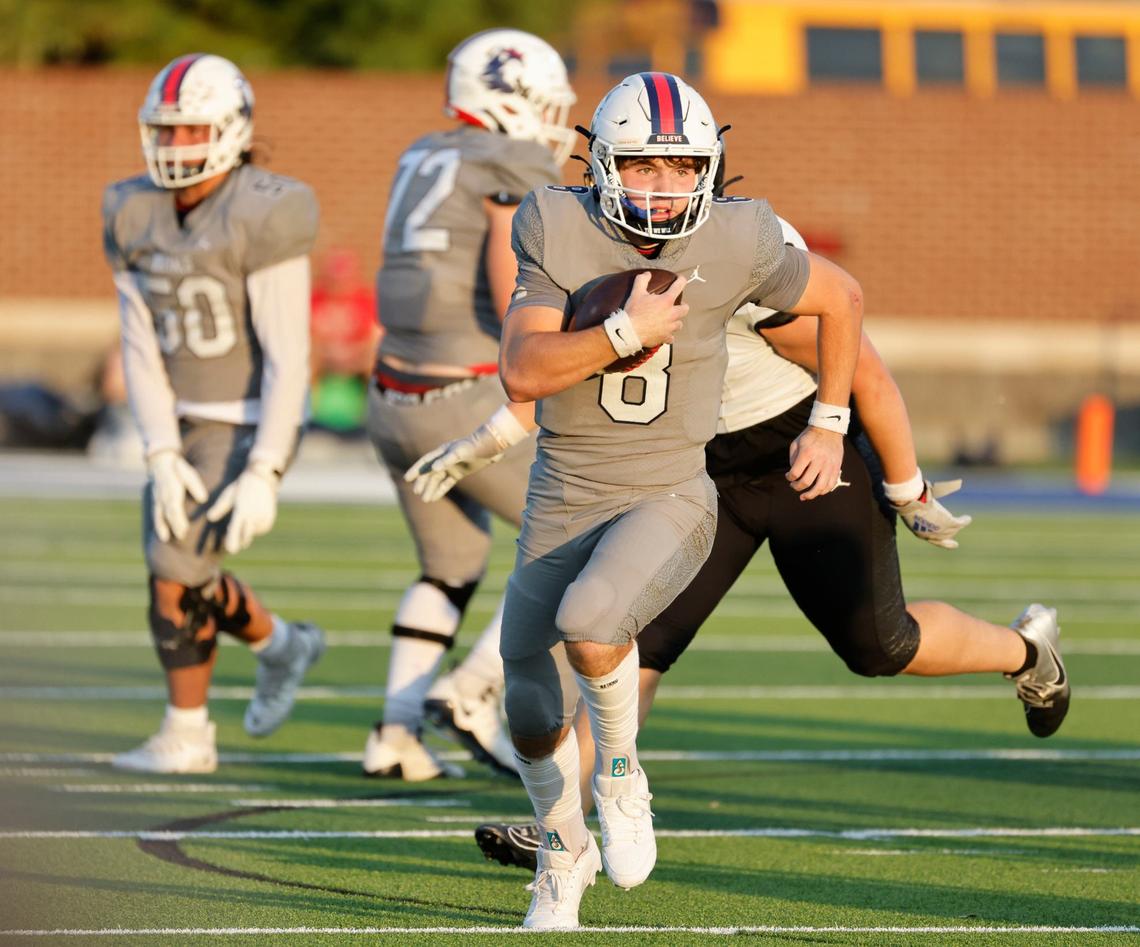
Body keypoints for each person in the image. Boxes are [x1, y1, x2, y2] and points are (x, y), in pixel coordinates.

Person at [409, 220, 1070, 876]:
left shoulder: (739, 260)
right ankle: (564, 824)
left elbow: (863, 366)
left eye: (670, 173)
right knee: (629, 632)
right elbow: (569, 372)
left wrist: (905, 485)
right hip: (691, 473)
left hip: (798, 456)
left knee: (879, 643)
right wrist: (488, 439)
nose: (651, 197)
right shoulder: (600, 249)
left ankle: (1027, 650)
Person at [490, 72, 867, 929]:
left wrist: (830, 422)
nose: (663, 189)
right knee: (527, 704)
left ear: (710, 164)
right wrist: (621, 333)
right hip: (563, 492)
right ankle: (560, 854)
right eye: (644, 168)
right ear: (603, 166)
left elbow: (841, 296)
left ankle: (621, 776)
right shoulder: (557, 222)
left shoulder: (738, 235)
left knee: (593, 620)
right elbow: (522, 369)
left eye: (682, 167)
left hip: (669, 488)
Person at [362, 29, 577, 782]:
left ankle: (393, 733)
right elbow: (513, 282)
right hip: (461, 392)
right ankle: (473, 687)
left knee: (449, 565)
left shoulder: (425, 149)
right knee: (586, 534)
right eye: (546, 106)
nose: (554, 124)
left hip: (390, 392)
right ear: (508, 97)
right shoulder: (508, 159)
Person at [102, 53, 325, 774]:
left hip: (248, 413)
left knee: (172, 566)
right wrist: (161, 450)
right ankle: (279, 643)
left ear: (233, 130)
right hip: (185, 415)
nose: (176, 147)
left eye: (193, 129)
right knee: (179, 568)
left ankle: (189, 732)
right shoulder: (131, 209)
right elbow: (140, 344)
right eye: (165, 132)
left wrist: (266, 463)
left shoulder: (268, 207)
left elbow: (291, 352)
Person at [308, 249, 381, 435]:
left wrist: (350, 355)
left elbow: (376, 337)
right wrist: (329, 353)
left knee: (375, 358)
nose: (339, 285)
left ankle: (373, 419)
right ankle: (307, 414)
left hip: (356, 362)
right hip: (323, 361)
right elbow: (306, 338)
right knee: (307, 358)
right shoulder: (313, 300)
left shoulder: (366, 301)